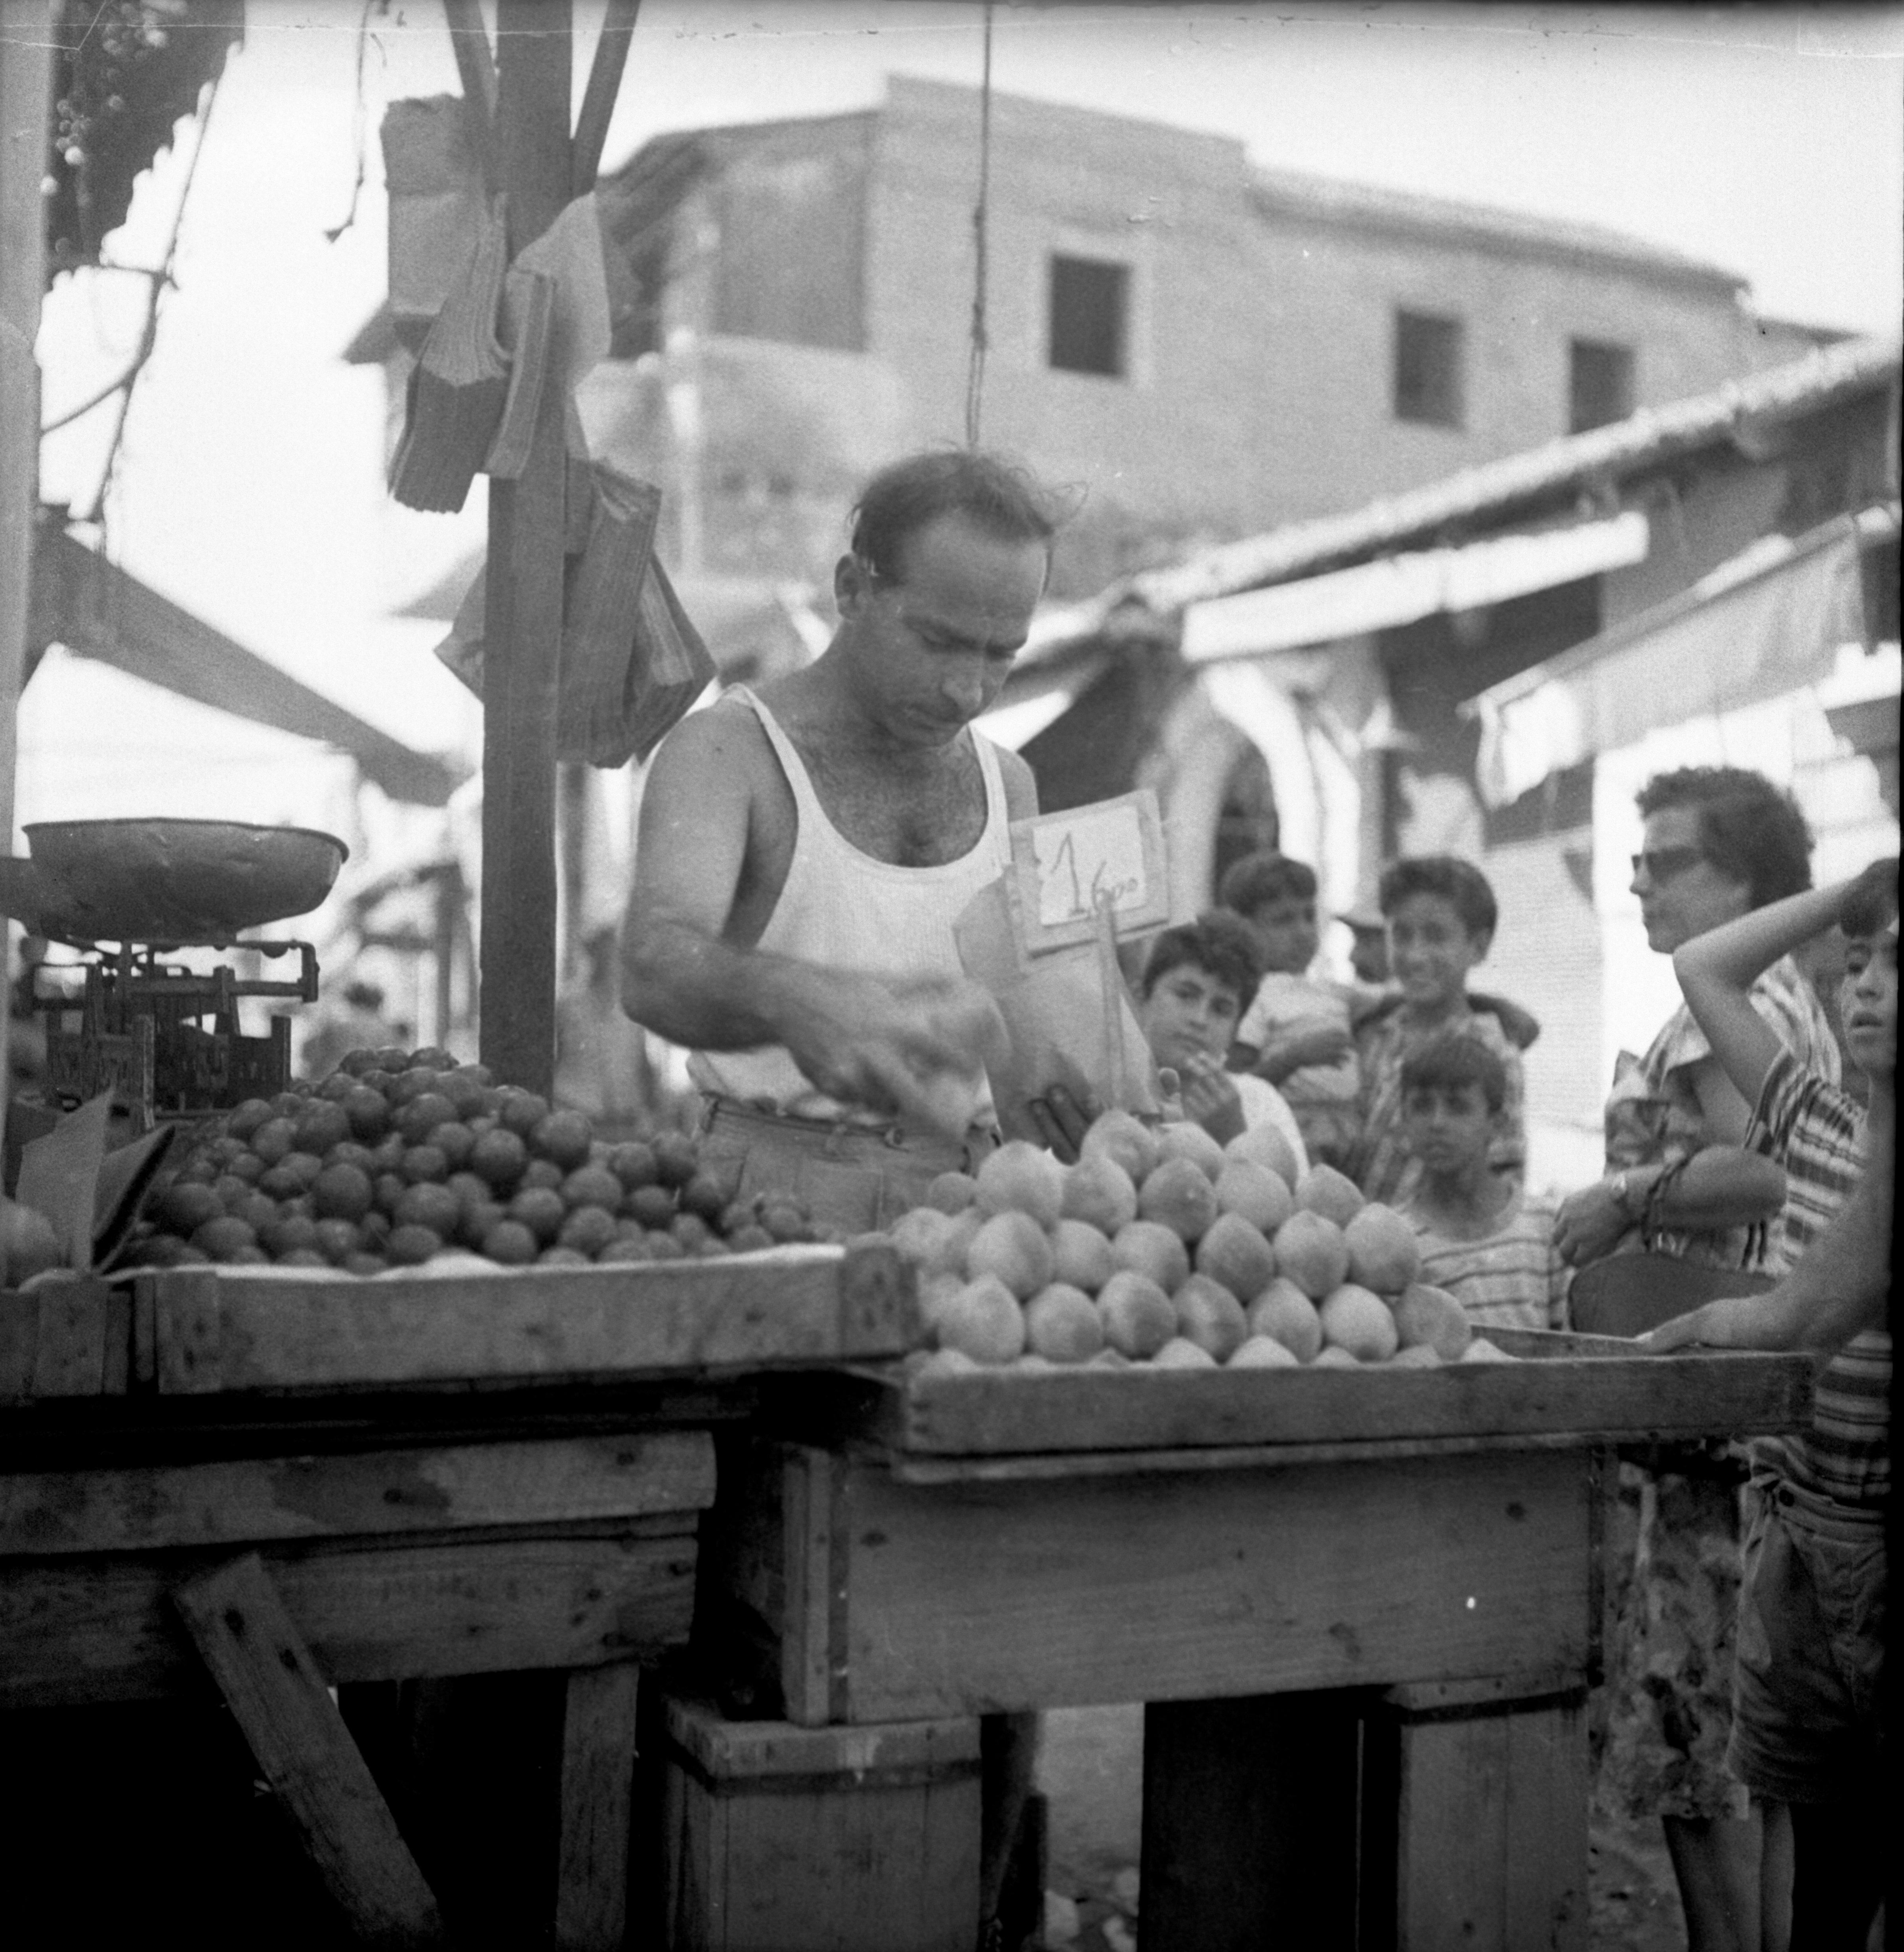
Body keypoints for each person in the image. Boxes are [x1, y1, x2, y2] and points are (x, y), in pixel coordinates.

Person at [620, 448, 1077, 1948]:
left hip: (969, 1235)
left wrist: (1095, 1088)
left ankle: (985, 1907)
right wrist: (801, 1001)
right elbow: (658, 959)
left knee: (987, 1614)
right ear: (849, 589)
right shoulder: (727, 752)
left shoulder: (1011, 781)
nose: (967, 685)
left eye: (1001, 652)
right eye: (939, 638)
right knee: (761, 1626)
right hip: (763, 1214)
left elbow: (1062, 1021)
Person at [1557, 766, 1839, 1952]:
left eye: (1667, 859)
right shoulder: (1781, 990)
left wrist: (1627, 1190)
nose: (1640, 880)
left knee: (1697, 1744)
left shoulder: (1742, 1001)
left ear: (1747, 879)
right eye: (1636, 860)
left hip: (1721, 1424)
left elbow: (1772, 1163)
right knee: (1742, 1748)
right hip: (1754, 1424)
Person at [1656, 856, 1894, 1952]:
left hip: (1879, 1541)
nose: (1866, 990)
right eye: (1857, 966)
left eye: (1896, 966)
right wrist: (1855, 889)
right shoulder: (1816, 1119)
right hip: (1795, 1532)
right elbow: (1701, 963)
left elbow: (1801, 1313)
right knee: (1820, 1872)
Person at [1348, 855, 1526, 1206]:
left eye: (1435, 937)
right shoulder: (1370, 1034)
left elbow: (1502, 1184)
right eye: (1401, 935)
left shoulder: (1493, 1054)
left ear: (1478, 946)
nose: (1415, 956)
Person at [1395, 1034, 1569, 1332]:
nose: (1437, 1122)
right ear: (1404, 1120)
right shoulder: (1397, 1240)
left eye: (1457, 1107)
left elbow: (1569, 1345)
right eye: (1422, 1107)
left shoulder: (1545, 1226)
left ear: (1496, 1123)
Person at [1218, 852, 1361, 1172]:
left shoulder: (1325, 989)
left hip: (1347, 1135)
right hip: (1292, 1136)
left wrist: (1492, 1004)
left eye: (1308, 916)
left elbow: (1388, 1000)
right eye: (1283, 920)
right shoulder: (1253, 994)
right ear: (1244, 928)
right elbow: (1237, 1086)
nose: (1303, 932)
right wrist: (1294, 1058)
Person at [1134, 912, 1308, 1173]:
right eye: (1185, 995)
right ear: (1141, 999)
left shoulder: (1258, 1102)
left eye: (1221, 1009)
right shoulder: (1104, 1094)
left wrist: (1233, 1136)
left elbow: (1294, 1209)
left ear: (1236, 1030)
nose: (1200, 1019)